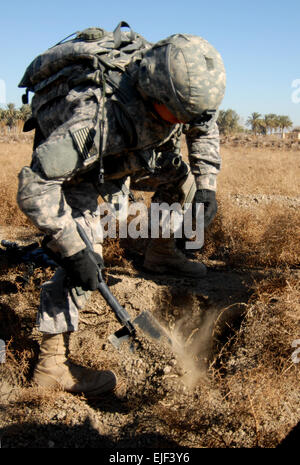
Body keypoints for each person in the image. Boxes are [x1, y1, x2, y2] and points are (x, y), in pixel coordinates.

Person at [17, 25, 226, 397]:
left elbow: (203, 124)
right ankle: (52, 365)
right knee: (84, 256)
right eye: (177, 114)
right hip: (80, 171)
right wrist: (72, 248)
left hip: (136, 152)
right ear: (154, 95)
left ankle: (160, 255)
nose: (185, 121)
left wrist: (207, 183)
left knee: (185, 186)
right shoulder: (90, 117)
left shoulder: (180, 90)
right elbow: (35, 186)